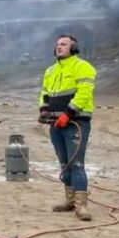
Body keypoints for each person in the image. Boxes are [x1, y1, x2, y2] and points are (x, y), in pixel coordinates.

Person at [38, 34, 96, 221]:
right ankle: (70, 200)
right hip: (56, 124)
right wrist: (44, 110)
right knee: (64, 164)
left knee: (76, 164)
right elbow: (45, 93)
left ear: (73, 47)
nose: (59, 47)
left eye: (63, 44)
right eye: (57, 44)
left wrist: (68, 114)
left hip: (76, 123)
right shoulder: (50, 71)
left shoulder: (83, 67)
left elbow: (84, 93)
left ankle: (81, 206)